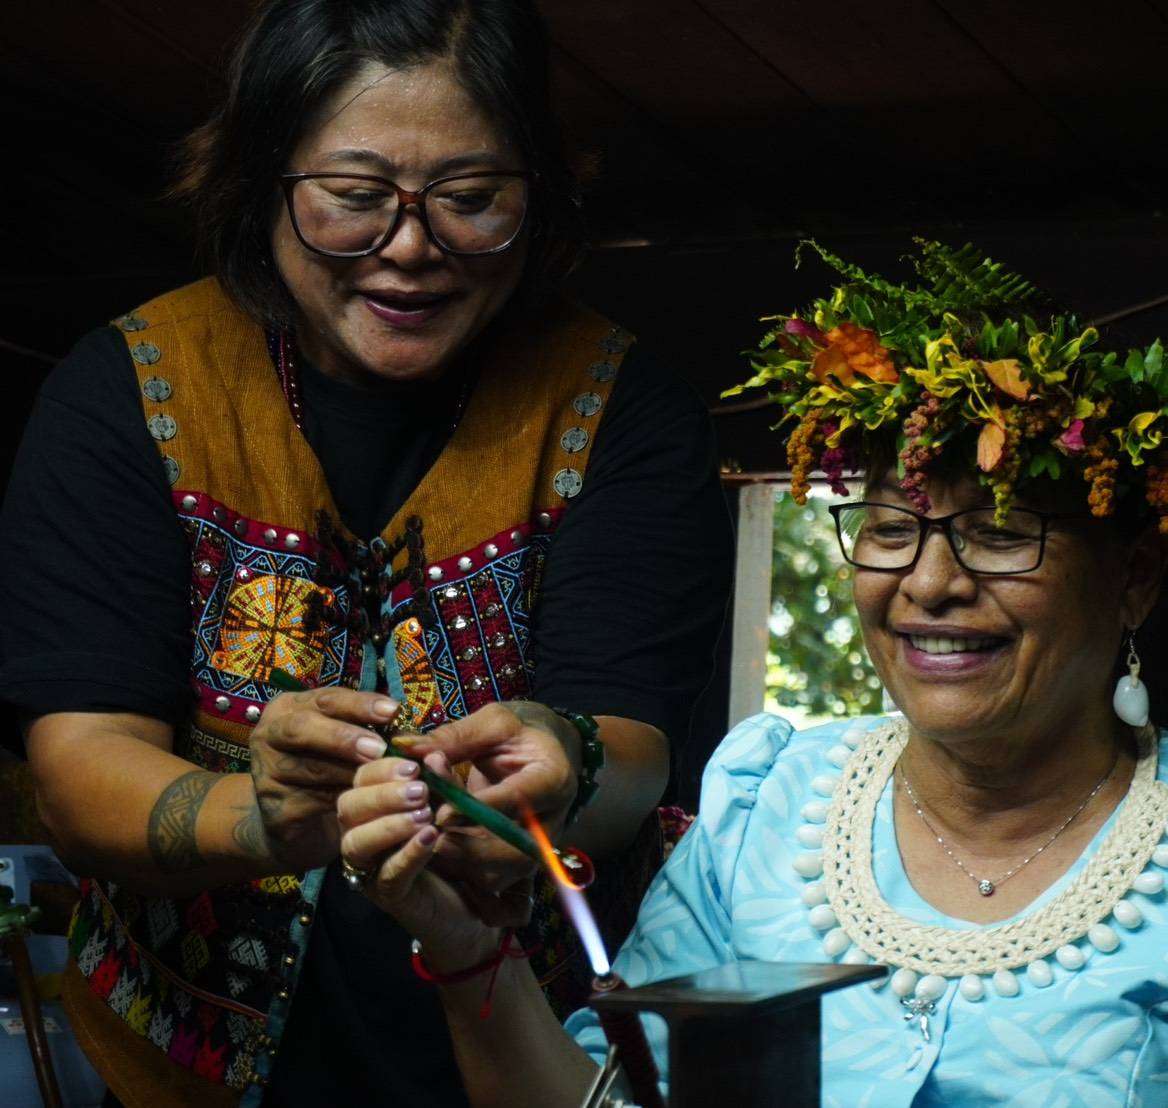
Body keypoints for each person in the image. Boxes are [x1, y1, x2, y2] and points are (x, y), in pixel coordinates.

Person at [334, 241, 1168, 1104]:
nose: (929, 585)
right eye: (889, 526)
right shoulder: (767, 805)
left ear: (1136, 575)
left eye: (1002, 532)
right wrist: (463, 936)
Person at [0, 2, 731, 1105]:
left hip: (534, 1057)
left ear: (539, 194)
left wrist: (564, 760)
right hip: (182, 1068)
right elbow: (78, 765)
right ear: (261, 184)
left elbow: (634, 746)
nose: (409, 247)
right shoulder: (127, 395)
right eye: (352, 199)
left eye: (471, 200)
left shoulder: (623, 409)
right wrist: (264, 814)